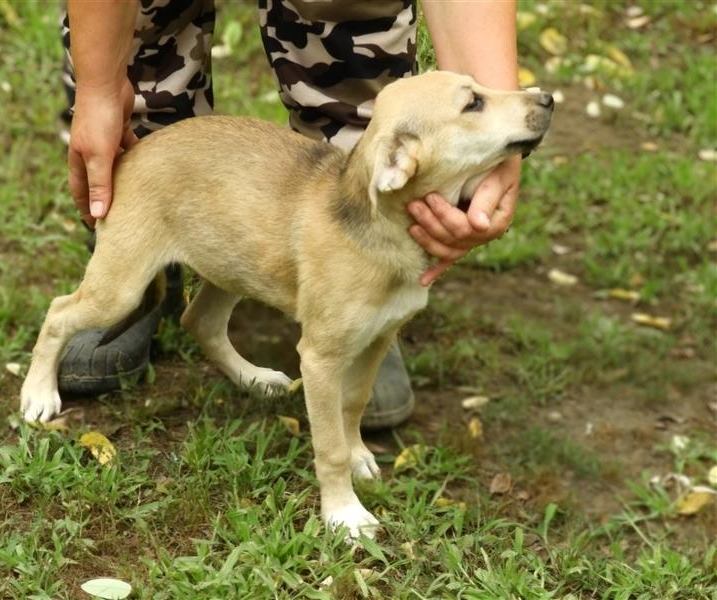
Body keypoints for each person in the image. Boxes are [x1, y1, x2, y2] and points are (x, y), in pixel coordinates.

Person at [58, 0, 521, 429]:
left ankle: (357, 287)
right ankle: (139, 261)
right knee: (146, 30)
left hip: (368, 191)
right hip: (150, 148)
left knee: (348, 11)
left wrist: (503, 132)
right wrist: (98, 88)